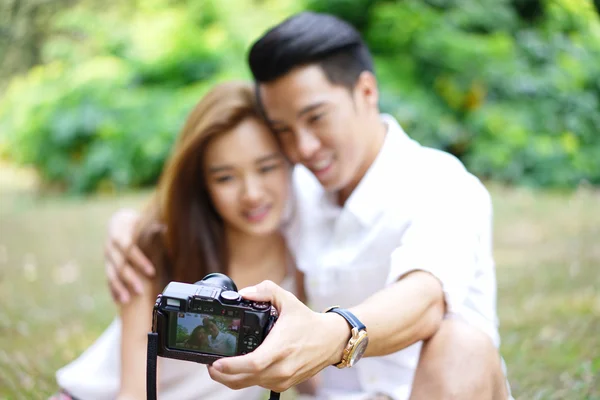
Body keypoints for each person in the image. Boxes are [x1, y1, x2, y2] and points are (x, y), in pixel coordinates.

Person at [105, 12, 512, 400]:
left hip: (436, 388)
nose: (303, 147)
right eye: (283, 130)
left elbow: (424, 300)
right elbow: (211, 202)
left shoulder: (443, 183)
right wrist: (127, 225)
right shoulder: (295, 189)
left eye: (316, 118)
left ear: (366, 92)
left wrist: (333, 333)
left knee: (462, 343)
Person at [53, 81, 310, 400]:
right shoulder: (156, 248)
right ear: (202, 183)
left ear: (289, 162)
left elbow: (304, 371)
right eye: (225, 177)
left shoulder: (300, 254)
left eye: (267, 167)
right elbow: (133, 393)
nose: (252, 194)